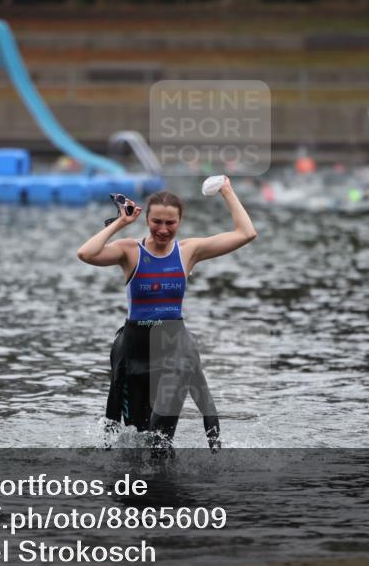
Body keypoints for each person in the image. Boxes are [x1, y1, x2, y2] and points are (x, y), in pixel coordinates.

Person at [77, 179, 257, 450]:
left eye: (170, 223)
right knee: (136, 435)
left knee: (160, 441)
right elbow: (85, 253)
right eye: (157, 222)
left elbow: (246, 233)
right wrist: (121, 222)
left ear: (180, 222)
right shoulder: (129, 251)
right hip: (135, 353)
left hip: (173, 354)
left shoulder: (188, 251)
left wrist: (227, 189)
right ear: (146, 220)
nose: (163, 229)